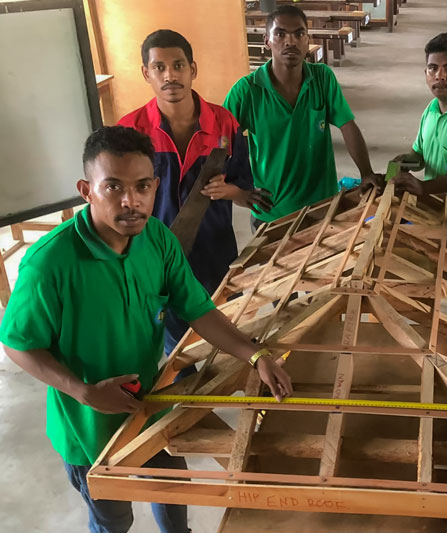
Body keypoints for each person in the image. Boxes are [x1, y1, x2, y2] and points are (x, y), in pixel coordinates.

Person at [0, 127, 292, 533]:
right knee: (113, 517)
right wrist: (84, 391)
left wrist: (255, 355)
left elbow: (198, 310)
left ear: (155, 186)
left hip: (147, 404)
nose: (130, 201)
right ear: (87, 190)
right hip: (86, 423)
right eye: (113, 187)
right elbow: (18, 345)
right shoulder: (49, 265)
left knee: (174, 492)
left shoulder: (157, 240)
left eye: (141, 187)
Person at [118, 29, 269, 355]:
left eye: (178, 65)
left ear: (193, 69)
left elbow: (246, 189)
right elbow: (116, 206)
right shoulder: (130, 132)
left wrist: (231, 191)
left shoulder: (224, 124)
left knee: (230, 330)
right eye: (159, 67)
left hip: (216, 252)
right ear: (146, 73)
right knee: (177, 350)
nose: (170, 76)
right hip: (156, 256)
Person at [223, 5, 382, 231]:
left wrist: (366, 172)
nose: (290, 41)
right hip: (272, 213)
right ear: (267, 41)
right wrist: (237, 193)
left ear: (307, 40)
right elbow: (220, 144)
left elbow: (347, 125)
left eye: (299, 34)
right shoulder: (247, 91)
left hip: (322, 208)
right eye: (280, 34)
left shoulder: (322, 78)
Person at [364, 32, 447, 211]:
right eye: (433, 68)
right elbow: (419, 157)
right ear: (425, 73)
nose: (439, 76)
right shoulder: (431, 110)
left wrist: (424, 187)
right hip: (436, 207)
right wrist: (402, 164)